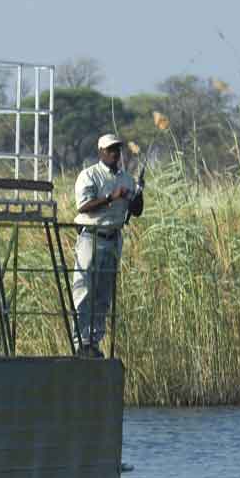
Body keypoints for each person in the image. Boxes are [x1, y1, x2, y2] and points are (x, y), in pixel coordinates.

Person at [72, 134, 144, 358]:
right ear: (101, 152)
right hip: (91, 237)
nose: (114, 153)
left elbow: (137, 211)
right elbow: (83, 206)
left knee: (103, 295)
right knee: (84, 291)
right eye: (110, 149)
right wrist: (111, 197)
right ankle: (80, 343)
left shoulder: (126, 179)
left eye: (117, 149)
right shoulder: (89, 175)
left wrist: (138, 192)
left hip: (113, 237)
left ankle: (93, 342)